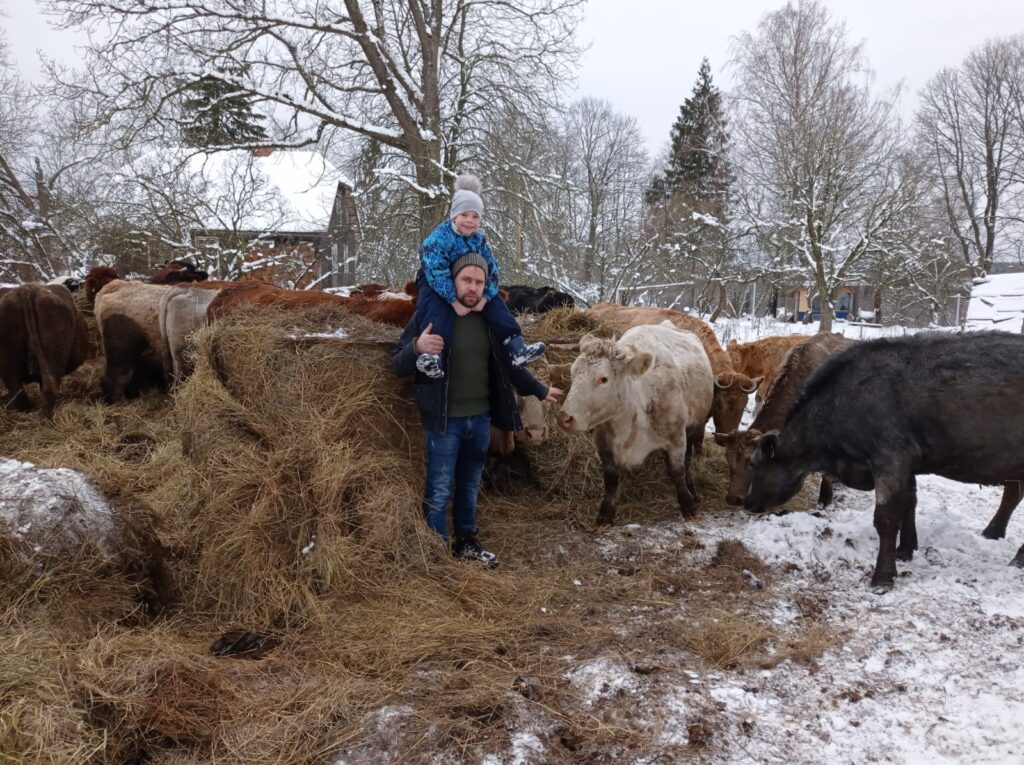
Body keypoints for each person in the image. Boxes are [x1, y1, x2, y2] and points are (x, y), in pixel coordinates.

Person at [393, 257, 563, 567]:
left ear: (487, 286)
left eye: (479, 282)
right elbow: (398, 364)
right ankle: (436, 552)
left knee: (470, 486)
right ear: (453, 282)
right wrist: (417, 346)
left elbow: (510, 366)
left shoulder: (490, 320)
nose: (473, 287)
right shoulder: (432, 316)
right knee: (440, 488)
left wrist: (539, 389)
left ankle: (466, 543)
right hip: (444, 422)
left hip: (480, 420)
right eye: (466, 280)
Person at [414, 173, 546, 380]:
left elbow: (492, 269)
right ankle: (433, 357)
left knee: (498, 305)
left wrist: (485, 297)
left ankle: (516, 347)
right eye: (464, 214)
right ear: (454, 215)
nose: (469, 221)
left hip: (468, 280)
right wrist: (453, 301)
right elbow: (436, 271)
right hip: (434, 280)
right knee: (435, 308)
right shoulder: (439, 238)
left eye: (475, 216)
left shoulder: (479, 239)